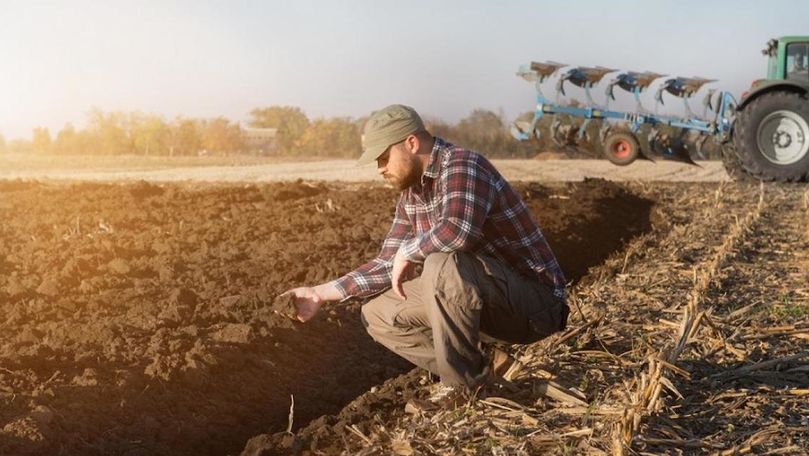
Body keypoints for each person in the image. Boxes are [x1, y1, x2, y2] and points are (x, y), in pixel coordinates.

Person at [282, 104, 568, 406]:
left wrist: (410, 251)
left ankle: (464, 389)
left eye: (383, 158)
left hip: (535, 307)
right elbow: (387, 264)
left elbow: (458, 231)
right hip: (489, 302)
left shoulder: (463, 165)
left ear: (411, 143)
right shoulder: (412, 195)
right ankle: (485, 367)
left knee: (441, 263)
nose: (380, 168)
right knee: (377, 314)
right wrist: (318, 293)